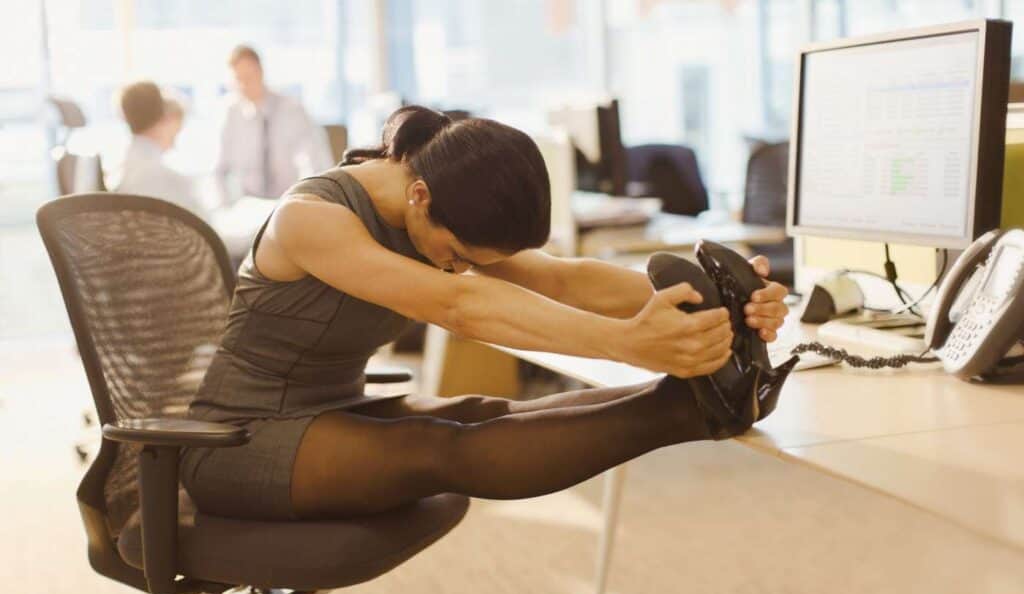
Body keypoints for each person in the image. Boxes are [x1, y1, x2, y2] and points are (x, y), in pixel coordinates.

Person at [182, 106, 790, 521]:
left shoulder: (438, 207)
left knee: (485, 413)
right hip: (238, 438)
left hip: (334, 406)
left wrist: (720, 302)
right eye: (456, 256)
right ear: (418, 196)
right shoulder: (311, 218)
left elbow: (561, 278)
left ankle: (693, 402)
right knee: (439, 449)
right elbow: (458, 304)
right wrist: (628, 343)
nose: (456, 267)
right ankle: (691, 411)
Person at [214, 44, 334, 204]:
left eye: (248, 77)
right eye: (238, 79)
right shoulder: (229, 114)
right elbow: (218, 170)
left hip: (290, 201)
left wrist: (306, 200)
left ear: (261, 72)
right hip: (248, 204)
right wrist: (225, 206)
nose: (244, 85)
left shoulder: (293, 110)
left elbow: (316, 162)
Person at [113, 81, 207, 219]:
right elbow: (211, 235)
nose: (176, 137)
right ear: (164, 120)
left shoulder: (119, 173)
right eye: (178, 128)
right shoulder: (169, 179)